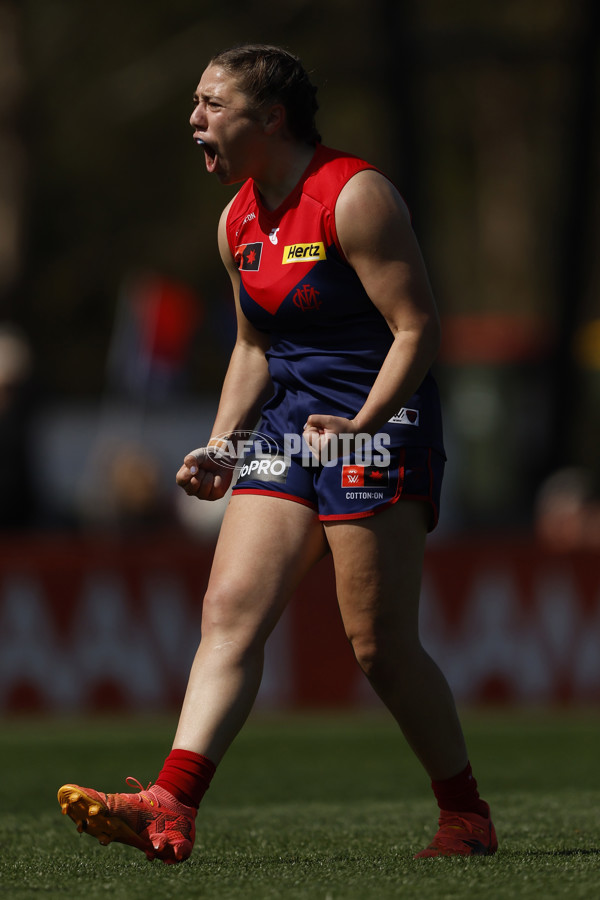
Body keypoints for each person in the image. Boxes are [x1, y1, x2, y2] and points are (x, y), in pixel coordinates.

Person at [58, 43, 497, 862]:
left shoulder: (355, 196)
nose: (194, 120)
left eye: (211, 105)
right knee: (228, 614)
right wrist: (225, 445)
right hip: (292, 430)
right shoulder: (236, 221)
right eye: (195, 103)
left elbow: (419, 329)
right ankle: (171, 803)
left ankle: (466, 815)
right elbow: (254, 347)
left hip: (383, 425)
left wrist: (364, 421)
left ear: (273, 118)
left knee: (379, 647)